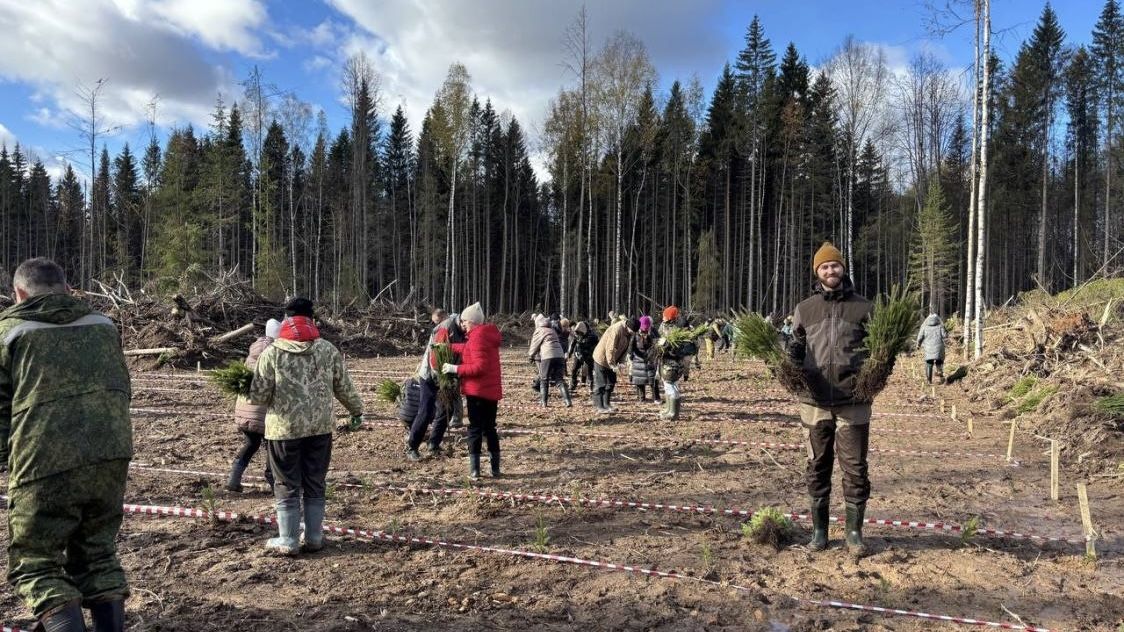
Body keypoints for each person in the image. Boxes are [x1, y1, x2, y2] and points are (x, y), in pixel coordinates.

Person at [1, 257, 133, 631]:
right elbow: (123, 388)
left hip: (43, 459)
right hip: (111, 453)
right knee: (98, 553)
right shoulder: (103, 325)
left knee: (36, 562)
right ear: (68, 290)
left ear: (19, 293)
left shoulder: (9, 331)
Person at [249, 298, 364, 556]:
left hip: (283, 431)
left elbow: (257, 396)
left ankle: (288, 540)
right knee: (315, 481)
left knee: (286, 482)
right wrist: (357, 411)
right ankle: (313, 537)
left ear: (286, 320)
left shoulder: (272, 353)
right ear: (311, 319)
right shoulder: (327, 350)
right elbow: (344, 387)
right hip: (320, 429)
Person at [788, 242, 875, 557]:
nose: (830, 270)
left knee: (855, 467)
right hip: (814, 402)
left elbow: (880, 350)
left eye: (834, 265)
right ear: (817, 272)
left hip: (854, 401)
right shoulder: (806, 309)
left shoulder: (864, 308)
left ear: (842, 268)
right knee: (817, 465)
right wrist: (789, 368)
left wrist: (873, 379)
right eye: (824, 267)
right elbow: (795, 348)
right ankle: (820, 531)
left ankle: (854, 533)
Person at [443, 302, 503, 479]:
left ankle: (475, 470)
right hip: (491, 392)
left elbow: (479, 367)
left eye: (464, 321)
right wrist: (448, 347)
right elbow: (469, 349)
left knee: (475, 429)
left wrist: (455, 369)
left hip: (477, 392)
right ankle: (495, 469)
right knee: (490, 429)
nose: (462, 325)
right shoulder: (484, 335)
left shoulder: (477, 337)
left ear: (473, 321)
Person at [226, 318, 281, 492]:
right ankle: (273, 480)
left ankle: (233, 480)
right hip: (262, 413)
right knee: (273, 446)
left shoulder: (252, 353)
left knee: (251, 444)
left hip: (244, 410)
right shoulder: (274, 354)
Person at [406, 308, 466, 461]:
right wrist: (443, 380)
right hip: (431, 376)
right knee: (426, 410)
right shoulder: (444, 329)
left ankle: (434, 444)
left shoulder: (463, 330)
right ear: (464, 321)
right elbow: (435, 359)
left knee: (448, 408)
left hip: (448, 374)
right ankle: (412, 446)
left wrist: (455, 375)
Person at [591, 316, 638, 414]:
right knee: (601, 383)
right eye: (632, 331)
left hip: (614, 360)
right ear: (628, 326)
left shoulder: (629, 333)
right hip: (602, 358)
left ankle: (606, 404)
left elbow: (625, 349)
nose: (633, 333)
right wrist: (612, 365)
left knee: (611, 382)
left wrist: (621, 362)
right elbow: (610, 349)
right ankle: (599, 406)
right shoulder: (617, 330)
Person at [656, 305, 693, 420]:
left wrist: (667, 346)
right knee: (667, 385)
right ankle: (668, 408)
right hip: (665, 361)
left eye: (665, 316)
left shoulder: (678, 330)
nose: (663, 318)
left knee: (671, 385)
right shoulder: (664, 326)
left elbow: (684, 352)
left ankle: (673, 413)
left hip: (673, 363)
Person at [528, 314, 570, 407]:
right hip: (560, 355)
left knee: (544, 379)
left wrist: (530, 356)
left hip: (548, 355)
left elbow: (534, 345)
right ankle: (568, 401)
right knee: (559, 379)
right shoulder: (552, 330)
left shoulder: (539, 330)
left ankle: (543, 402)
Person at [628, 316, 660, 403]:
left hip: (650, 361)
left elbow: (657, 345)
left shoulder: (653, 333)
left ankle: (655, 398)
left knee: (652, 381)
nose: (644, 331)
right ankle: (642, 398)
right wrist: (631, 357)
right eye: (643, 329)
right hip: (639, 361)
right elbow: (631, 348)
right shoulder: (636, 335)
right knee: (640, 381)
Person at [916, 313, 948, 384]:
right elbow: (945, 336)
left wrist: (918, 345)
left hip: (928, 348)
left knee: (929, 363)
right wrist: (944, 328)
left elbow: (920, 337)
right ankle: (939, 371)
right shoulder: (940, 326)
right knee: (939, 360)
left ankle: (929, 381)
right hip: (939, 348)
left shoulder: (924, 327)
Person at [567, 321, 598, 393]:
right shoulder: (577, 333)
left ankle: (591, 386)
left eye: (580, 333)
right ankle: (573, 385)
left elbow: (596, 346)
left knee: (590, 371)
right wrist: (570, 352)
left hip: (589, 355)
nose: (578, 334)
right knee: (574, 369)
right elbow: (573, 343)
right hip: (578, 354)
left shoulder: (593, 336)